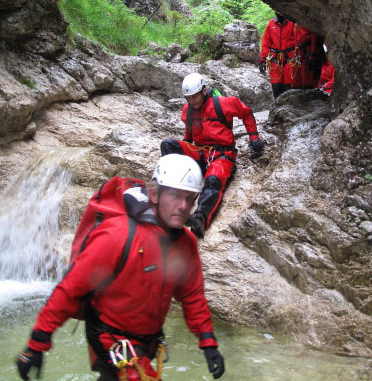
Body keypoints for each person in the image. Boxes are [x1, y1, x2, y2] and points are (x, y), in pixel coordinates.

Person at [16, 154, 225, 381]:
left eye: (190, 198)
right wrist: (37, 343)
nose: (183, 206)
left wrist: (208, 343)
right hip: (109, 337)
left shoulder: (185, 243)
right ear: (154, 193)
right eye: (175, 196)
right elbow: (70, 290)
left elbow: (192, 296)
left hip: (146, 342)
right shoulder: (117, 234)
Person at [160, 73, 265, 238]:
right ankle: (169, 192)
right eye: (188, 98)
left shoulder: (223, 103)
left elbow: (246, 113)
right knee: (168, 144)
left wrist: (254, 137)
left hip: (222, 154)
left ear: (203, 90)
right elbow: (189, 131)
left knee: (213, 180)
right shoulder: (188, 109)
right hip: (200, 152)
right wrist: (183, 151)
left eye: (195, 96)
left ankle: (200, 219)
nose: (192, 101)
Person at [258, 12, 298, 98]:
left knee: (290, 88)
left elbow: (298, 40)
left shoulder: (292, 23)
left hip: (290, 60)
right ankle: (278, 108)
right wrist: (263, 60)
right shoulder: (271, 24)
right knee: (277, 88)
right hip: (275, 61)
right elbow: (266, 42)